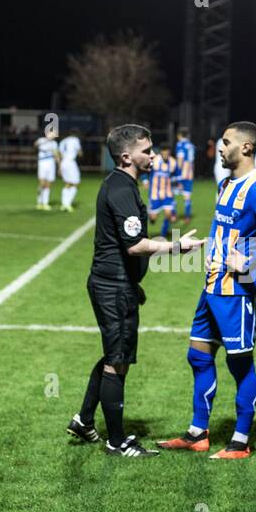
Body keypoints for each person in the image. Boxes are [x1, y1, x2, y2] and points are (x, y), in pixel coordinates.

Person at [68, 125, 204, 456]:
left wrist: (133, 284)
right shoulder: (120, 189)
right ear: (127, 156)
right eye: (147, 150)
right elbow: (134, 246)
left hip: (119, 284)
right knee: (117, 360)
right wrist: (178, 246)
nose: (153, 155)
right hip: (112, 286)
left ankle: (84, 421)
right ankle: (116, 442)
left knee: (115, 354)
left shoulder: (124, 184)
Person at [156, 121, 256, 460]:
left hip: (238, 291)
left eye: (226, 142)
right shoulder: (226, 184)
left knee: (240, 364)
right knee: (198, 356)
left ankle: (241, 442)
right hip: (212, 285)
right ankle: (198, 433)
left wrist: (251, 261)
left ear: (246, 148)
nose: (219, 146)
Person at [145, 140, 178, 238]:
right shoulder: (154, 160)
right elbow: (144, 170)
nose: (166, 155)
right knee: (153, 219)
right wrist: (145, 181)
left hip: (167, 194)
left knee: (169, 216)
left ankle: (162, 236)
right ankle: (150, 215)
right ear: (161, 152)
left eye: (167, 152)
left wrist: (177, 184)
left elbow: (176, 175)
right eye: (164, 152)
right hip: (155, 194)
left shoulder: (173, 162)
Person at [173, 127, 196, 220]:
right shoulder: (191, 145)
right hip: (189, 173)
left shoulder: (180, 144)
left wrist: (176, 172)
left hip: (181, 172)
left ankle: (173, 215)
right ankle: (187, 216)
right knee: (187, 195)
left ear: (179, 135)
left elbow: (180, 159)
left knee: (172, 193)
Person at [58, 129, 83, 212]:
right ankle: (67, 204)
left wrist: (60, 167)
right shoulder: (75, 140)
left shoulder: (63, 141)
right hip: (71, 162)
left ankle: (64, 204)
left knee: (68, 183)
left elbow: (60, 154)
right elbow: (79, 153)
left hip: (63, 162)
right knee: (76, 183)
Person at [35, 127, 58, 210]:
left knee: (48, 184)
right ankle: (39, 202)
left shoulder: (54, 143)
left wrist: (59, 165)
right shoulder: (41, 140)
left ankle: (45, 203)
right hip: (42, 163)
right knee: (42, 183)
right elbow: (35, 144)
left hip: (51, 164)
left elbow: (56, 154)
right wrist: (45, 140)